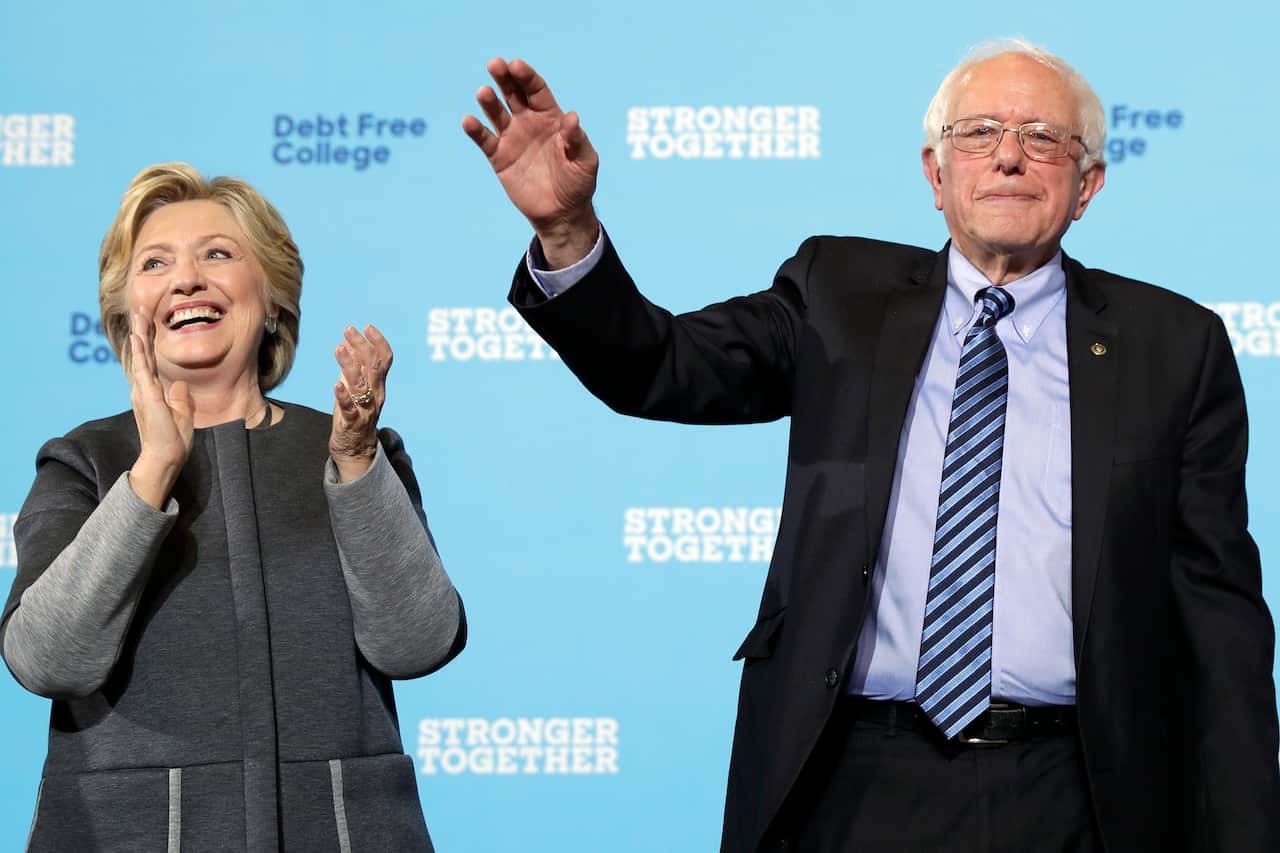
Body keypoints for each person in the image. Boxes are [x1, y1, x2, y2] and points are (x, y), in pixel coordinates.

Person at [463, 41, 1280, 852]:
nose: (1007, 157)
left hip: (1072, 790)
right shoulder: (836, 294)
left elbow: (1221, 629)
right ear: (934, 173)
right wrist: (569, 231)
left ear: (1088, 184)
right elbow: (662, 366)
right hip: (847, 778)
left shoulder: (1174, 346)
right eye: (979, 132)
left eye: (1042, 138)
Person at [1, 162, 464, 851]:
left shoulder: (354, 450)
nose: (187, 279)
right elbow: (48, 661)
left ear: (273, 300)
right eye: (155, 263)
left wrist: (358, 464)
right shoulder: (83, 461)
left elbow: (418, 642)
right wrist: (153, 469)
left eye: (218, 253)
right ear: (128, 315)